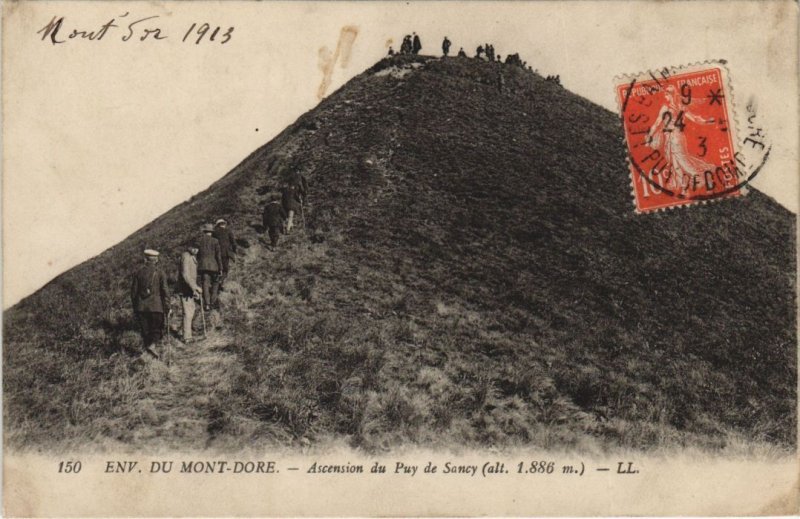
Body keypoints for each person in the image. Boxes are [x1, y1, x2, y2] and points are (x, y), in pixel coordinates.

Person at [130, 249, 169, 357]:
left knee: (145, 331)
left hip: (141, 307)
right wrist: (168, 306)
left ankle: (148, 354)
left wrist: (135, 308)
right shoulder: (160, 272)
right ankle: (152, 348)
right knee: (157, 329)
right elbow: (165, 290)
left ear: (145, 260)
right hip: (156, 307)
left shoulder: (138, 273)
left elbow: (133, 293)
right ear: (156, 260)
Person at [177, 244, 202, 343]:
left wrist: (194, 289)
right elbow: (185, 274)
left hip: (189, 289)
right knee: (188, 312)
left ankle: (187, 333)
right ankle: (187, 337)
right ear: (189, 247)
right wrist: (194, 287)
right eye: (195, 248)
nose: (196, 250)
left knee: (191, 311)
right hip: (185, 289)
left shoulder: (191, 256)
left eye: (197, 249)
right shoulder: (186, 256)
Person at [197, 223, 222, 310]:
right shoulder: (215, 241)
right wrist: (220, 268)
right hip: (214, 266)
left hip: (203, 266)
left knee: (205, 284)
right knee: (215, 283)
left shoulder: (200, 241)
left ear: (204, 232)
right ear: (211, 232)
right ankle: (213, 302)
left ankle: (207, 304)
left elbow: (197, 254)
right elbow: (218, 256)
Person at [212, 218, 237, 291]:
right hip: (226, 253)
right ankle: (221, 282)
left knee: (219, 268)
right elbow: (233, 243)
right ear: (224, 224)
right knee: (225, 269)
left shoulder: (214, 232)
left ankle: (217, 282)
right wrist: (234, 251)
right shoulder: (228, 231)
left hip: (217, 253)